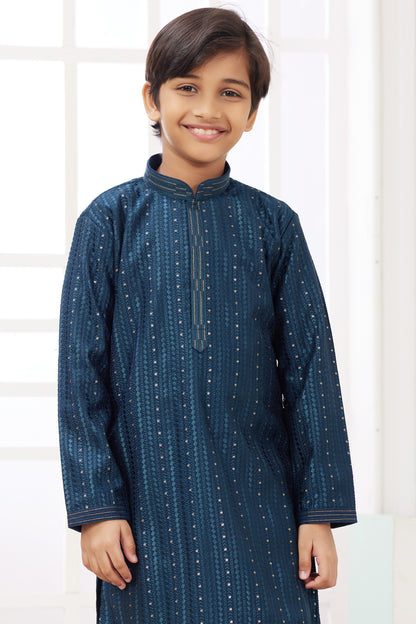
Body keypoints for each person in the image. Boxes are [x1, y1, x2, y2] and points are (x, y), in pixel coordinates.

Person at [58, 7, 357, 624]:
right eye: (188, 87)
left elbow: (311, 374)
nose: (208, 109)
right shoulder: (109, 222)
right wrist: (96, 509)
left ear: (252, 111)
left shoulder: (274, 227)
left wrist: (318, 514)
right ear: (152, 99)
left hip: (263, 509)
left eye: (231, 92)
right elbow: (80, 378)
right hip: (145, 515)